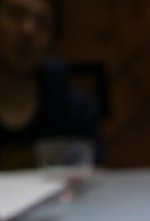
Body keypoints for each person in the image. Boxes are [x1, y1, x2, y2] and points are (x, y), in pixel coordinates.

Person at [0, 0, 104, 170]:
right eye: (15, 14)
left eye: (42, 23)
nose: (28, 30)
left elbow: (95, 173)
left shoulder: (76, 109)